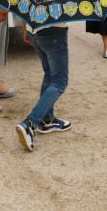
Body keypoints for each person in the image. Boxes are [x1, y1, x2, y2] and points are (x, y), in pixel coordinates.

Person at [15, 23, 72, 152]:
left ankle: (47, 119)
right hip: (54, 31)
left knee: (50, 73)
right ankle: (30, 123)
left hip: (33, 29)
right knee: (59, 82)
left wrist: (25, 29)